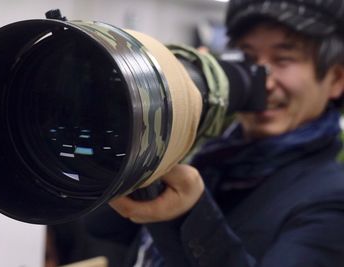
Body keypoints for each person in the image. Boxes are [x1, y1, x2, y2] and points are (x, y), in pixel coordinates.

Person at [109, 0, 344, 266]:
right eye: (248, 58)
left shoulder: (332, 199)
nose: (263, 81)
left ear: (336, 79)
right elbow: (108, 230)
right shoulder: (214, 155)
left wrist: (189, 215)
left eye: (283, 59)